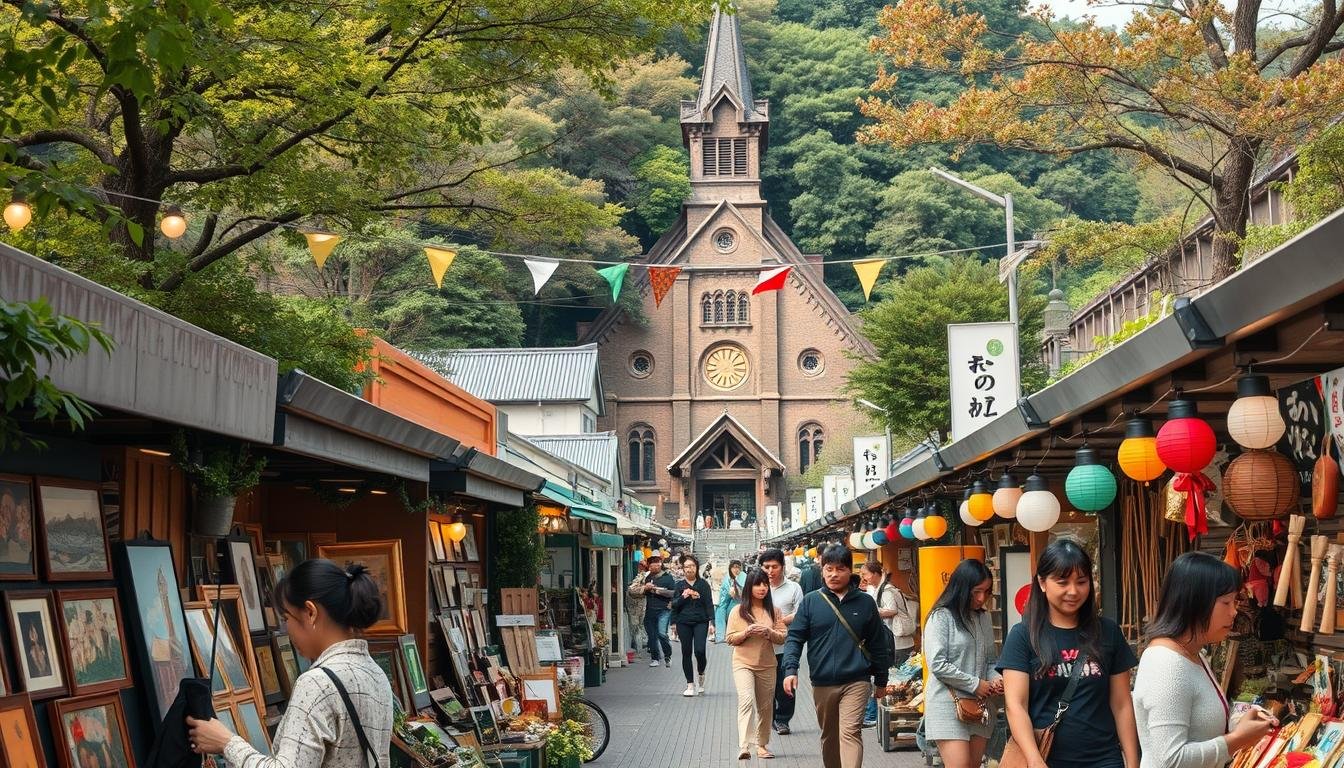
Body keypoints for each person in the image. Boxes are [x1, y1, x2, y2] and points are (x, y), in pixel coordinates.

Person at [187, 558, 394, 767]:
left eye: (287, 618)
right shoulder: (376, 675)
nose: (286, 630)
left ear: (311, 612)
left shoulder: (317, 684)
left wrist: (227, 743)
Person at [999, 539, 1140, 768]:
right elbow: (1016, 704)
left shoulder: (1108, 632)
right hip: (1048, 759)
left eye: (1081, 582)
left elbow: (1122, 703)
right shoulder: (1024, 636)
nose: (1073, 591)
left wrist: (1133, 761)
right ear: (1042, 583)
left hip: (1104, 759)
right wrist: (1034, 759)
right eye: (1062, 582)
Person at [1134, 552, 1277, 768]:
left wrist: (1240, 724)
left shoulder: (1192, 653)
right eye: (1226, 602)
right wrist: (1237, 740)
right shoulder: (1166, 664)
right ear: (1195, 603)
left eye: (1235, 601)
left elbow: (1199, 731)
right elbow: (1170, 759)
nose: (1234, 612)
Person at [782, 545, 895, 768]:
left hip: (857, 679)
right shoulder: (811, 602)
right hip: (822, 682)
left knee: (850, 732)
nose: (834, 574)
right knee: (829, 736)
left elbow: (877, 643)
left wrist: (881, 680)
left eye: (840, 569)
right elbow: (795, 638)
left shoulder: (865, 602)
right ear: (822, 570)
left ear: (849, 570)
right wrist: (790, 669)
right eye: (829, 568)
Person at [923, 559, 1001, 768]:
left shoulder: (983, 618)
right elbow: (937, 664)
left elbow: (991, 661)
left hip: (980, 707)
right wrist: (976, 684)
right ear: (962, 588)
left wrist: (996, 679)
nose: (981, 598)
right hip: (947, 704)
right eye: (976, 591)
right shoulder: (941, 617)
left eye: (986, 591)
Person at [727, 569, 787, 760]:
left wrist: (768, 632)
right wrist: (746, 633)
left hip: (768, 664)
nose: (762, 588)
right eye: (757, 584)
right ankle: (744, 746)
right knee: (746, 700)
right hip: (743, 663)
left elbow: (783, 637)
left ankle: (761, 745)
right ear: (749, 587)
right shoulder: (738, 611)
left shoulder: (774, 611)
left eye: (765, 584)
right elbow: (729, 639)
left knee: (765, 706)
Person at [862, 561, 919, 727]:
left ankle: (891, 717)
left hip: (898, 641)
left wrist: (872, 611)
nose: (864, 578)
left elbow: (892, 610)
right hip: (893, 640)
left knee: (897, 680)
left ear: (874, 574)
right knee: (894, 679)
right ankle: (883, 716)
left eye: (865, 574)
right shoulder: (880, 589)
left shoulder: (887, 590)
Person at [760, 548, 804, 735]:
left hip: (786, 644)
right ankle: (768, 718)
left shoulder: (794, 588)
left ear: (783, 567)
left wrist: (780, 621)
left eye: (774, 567)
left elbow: (801, 613)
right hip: (762, 646)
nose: (770, 571)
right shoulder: (758, 587)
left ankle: (783, 720)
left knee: (785, 684)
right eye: (766, 567)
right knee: (765, 686)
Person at [671, 553, 715, 696]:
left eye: (692, 566)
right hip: (683, 622)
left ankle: (701, 673)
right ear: (682, 569)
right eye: (686, 567)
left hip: (701, 621)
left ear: (696, 568)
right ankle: (690, 684)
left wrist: (712, 622)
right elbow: (674, 605)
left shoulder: (703, 585)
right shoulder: (679, 585)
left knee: (700, 651)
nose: (689, 569)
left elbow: (709, 603)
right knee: (686, 652)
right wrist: (684, 597)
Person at [640, 555, 676, 668]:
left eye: (657, 563)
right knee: (652, 636)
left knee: (662, 633)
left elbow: (673, 593)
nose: (655, 565)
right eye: (652, 564)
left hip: (664, 610)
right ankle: (655, 658)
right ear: (649, 566)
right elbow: (643, 593)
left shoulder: (668, 577)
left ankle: (668, 654)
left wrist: (658, 591)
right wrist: (645, 588)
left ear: (660, 564)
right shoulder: (648, 578)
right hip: (650, 610)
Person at [716, 560, 746, 644]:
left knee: (733, 609)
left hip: (740, 600)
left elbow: (744, 592)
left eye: (738, 567)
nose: (736, 569)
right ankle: (720, 635)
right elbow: (724, 593)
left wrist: (737, 591)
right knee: (719, 610)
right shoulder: (727, 578)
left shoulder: (744, 576)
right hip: (726, 600)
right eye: (733, 567)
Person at [626, 560, 649, 653]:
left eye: (643, 566)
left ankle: (639, 646)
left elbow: (633, 591)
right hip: (636, 607)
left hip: (639, 607)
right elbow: (632, 590)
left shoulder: (643, 576)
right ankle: (639, 646)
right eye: (640, 566)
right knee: (636, 627)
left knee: (637, 626)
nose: (641, 567)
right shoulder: (640, 577)